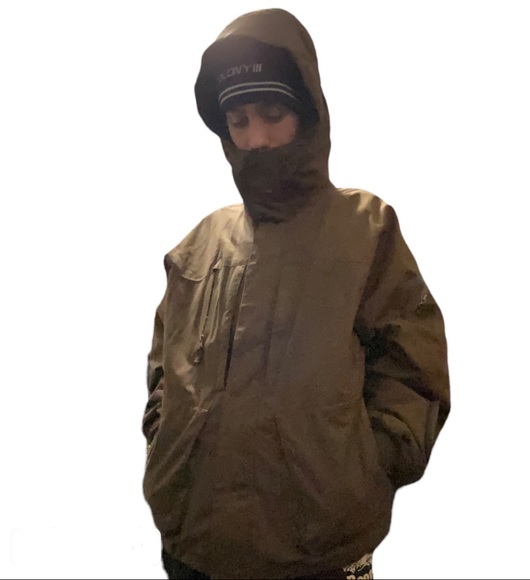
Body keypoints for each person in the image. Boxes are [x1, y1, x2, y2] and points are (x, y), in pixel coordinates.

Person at [142, 8, 450, 580]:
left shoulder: (365, 231)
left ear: (308, 114)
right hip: (192, 548)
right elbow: (165, 369)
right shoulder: (199, 246)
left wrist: (364, 471)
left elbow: (413, 374)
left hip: (317, 554)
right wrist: (166, 448)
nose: (255, 139)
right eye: (238, 120)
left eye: (273, 114)